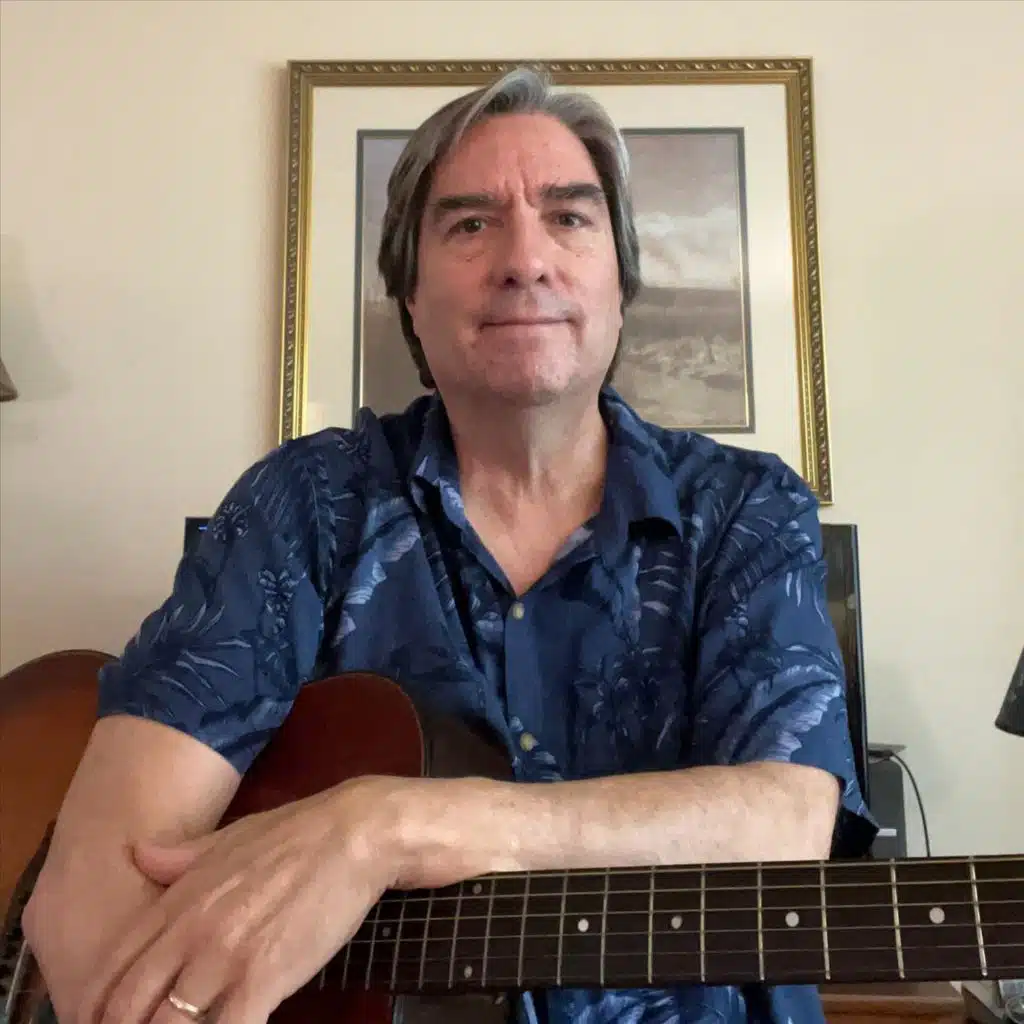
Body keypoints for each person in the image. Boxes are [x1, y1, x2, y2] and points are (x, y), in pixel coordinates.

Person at [23, 65, 877, 1024]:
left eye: (569, 217)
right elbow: (99, 880)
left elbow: (784, 819)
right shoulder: (303, 504)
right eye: (470, 224)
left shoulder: (749, 508)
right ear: (410, 297)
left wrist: (385, 827)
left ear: (621, 284)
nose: (525, 260)